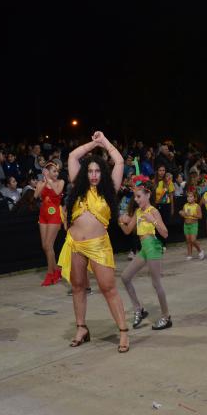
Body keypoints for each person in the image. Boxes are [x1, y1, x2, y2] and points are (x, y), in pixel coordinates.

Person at [57, 131, 130, 353]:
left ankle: (124, 332)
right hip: (75, 244)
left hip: (98, 245)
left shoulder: (110, 189)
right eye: (90, 171)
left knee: (108, 288)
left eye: (98, 171)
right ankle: (81, 328)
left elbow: (119, 160)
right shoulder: (78, 186)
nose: (94, 175)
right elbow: (72, 156)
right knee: (78, 287)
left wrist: (104, 142)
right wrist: (92, 143)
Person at [118, 175, 172, 330]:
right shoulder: (139, 212)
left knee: (156, 284)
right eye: (135, 196)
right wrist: (121, 221)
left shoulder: (153, 211)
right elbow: (128, 230)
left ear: (148, 195)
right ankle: (139, 309)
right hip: (143, 249)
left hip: (153, 248)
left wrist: (152, 220)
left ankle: (166, 317)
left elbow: (165, 233)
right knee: (125, 277)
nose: (136, 199)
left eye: (139, 196)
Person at [35, 161, 65, 286]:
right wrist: (45, 181)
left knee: (48, 244)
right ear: (47, 172)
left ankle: (50, 274)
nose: (56, 173)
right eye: (54, 171)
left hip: (55, 215)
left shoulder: (60, 182)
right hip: (43, 215)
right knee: (45, 246)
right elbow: (36, 195)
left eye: (57, 171)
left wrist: (49, 180)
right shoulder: (41, 183)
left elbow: (57, 192)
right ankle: (56, 271)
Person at [153, 165, 174, 251]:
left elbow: (171, 196)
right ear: (157, 171)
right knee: (156, 224)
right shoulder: (154, 181)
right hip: (156, 206)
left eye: (163, 170)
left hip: (166, 205)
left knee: (164, 224)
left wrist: (172, 207)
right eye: (160, 170)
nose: (162, 172)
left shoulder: (169, 181)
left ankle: (164, 243)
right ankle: (158, 243)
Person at [179, 189, 204, 260]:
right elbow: (183, 214)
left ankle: (200, 251)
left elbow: (200, 216)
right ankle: (189, 254)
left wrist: (192, 214)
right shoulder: (185, 205)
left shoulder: (197, 206)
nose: (189, 198)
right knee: (188, 240)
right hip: (186, 225)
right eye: (188, 197)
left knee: (193, 240)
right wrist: (181, 213)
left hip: (194, 225)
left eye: (191, 196)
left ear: (195, 198)